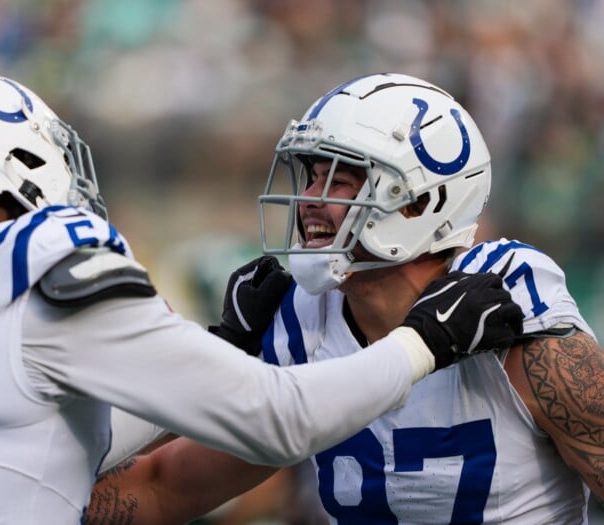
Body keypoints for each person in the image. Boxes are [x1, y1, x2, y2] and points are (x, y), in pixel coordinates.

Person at [0, 69, 522, 524]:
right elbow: (279, 419)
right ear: (17, 159)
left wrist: (214, 350)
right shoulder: (37, 256)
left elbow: (45, 426)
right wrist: (426, 340)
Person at [86, 72, 604, 524]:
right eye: (311, 174)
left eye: (339, 179)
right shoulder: (301, 324)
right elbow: (160, 489)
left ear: (418, 201)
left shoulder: (513, 319)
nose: (309, 199)